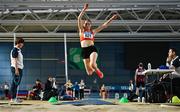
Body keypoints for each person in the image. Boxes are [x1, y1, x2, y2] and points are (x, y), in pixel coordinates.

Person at [78, 3, 117, 78]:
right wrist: (84, 9)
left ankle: (97, 69)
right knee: (89, 73)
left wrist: (111, 18)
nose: (88, 25)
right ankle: (94, 68)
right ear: (84, 25)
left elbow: (103, 26)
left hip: (92, 48)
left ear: (90, 25)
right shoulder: (81, 31)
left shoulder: (93, 32)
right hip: (84, 51)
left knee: (92, 64)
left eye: (89, 24)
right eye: (86, 24)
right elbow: (79, 18)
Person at [10, 37, 24, 103]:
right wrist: (16, 70)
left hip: (19, 68)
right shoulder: (15, 50)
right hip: (16, 68)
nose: (23, 45)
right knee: (15, 83)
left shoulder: (18, 50)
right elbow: (15, 60)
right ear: (18, 43)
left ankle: (14, 98)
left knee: (16, 83)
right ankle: (13, 98)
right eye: (22, 43)